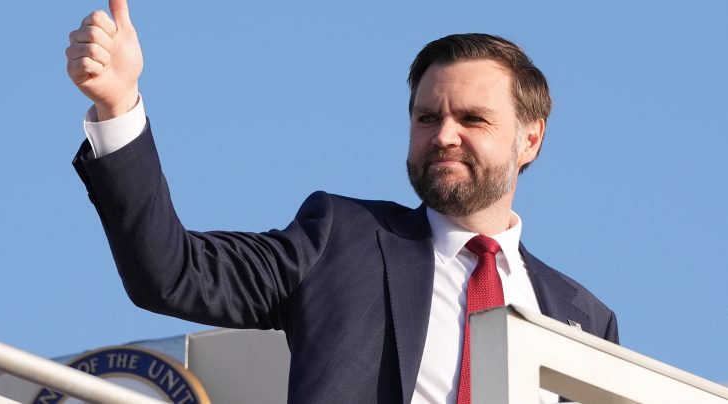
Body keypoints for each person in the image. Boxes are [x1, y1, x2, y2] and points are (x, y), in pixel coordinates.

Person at [66, 1, 618, 403]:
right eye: (427, 117)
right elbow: (171, 273)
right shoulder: (339, 239)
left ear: (530, 139)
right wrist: (118, 106)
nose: (444, 135)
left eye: (473, 119)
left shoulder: (586, 320)